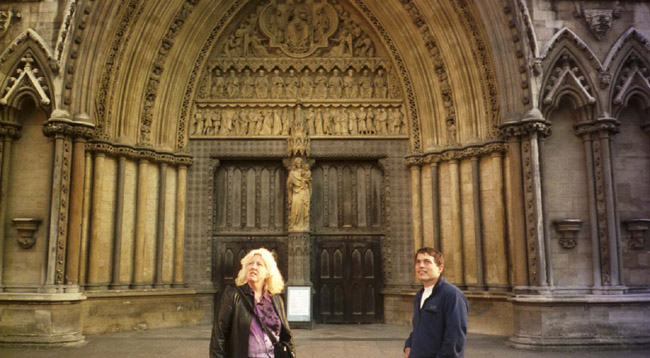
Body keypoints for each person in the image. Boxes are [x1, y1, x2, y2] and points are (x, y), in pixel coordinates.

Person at [210, 248, 294, 358]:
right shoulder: (232, 296)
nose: (253, 267)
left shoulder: (276, 299)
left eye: (259, 264)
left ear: (268, 273)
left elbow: (286, 336)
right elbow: (218, 336)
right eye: (250, 264)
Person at [404, 247, 468, 358]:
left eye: (427, 262)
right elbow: (419, 327)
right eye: (418, 262)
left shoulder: (452, 295)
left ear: (440, 268)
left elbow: (455, 339)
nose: (421, 265)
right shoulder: (420, 295)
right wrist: (409, 344)